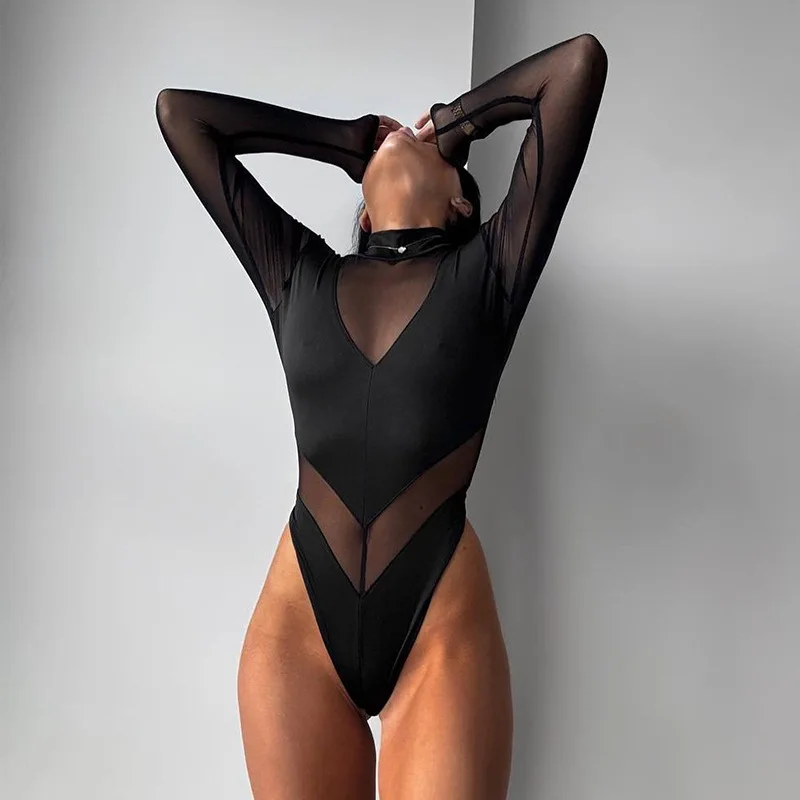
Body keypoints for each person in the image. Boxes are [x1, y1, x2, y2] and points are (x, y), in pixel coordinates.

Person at [155, 30, 608, 800]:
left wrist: (455, 123)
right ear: (361, 217)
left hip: (436, 625)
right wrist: (345, 141)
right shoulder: (297, 272)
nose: (410, 138)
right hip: (297, 632)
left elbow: (576, 69)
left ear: (462, 203)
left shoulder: (490, 271)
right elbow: (182, 116)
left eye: (441, 157)